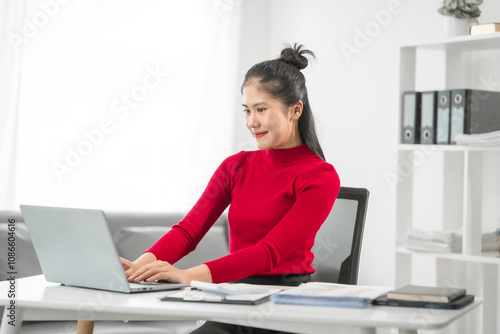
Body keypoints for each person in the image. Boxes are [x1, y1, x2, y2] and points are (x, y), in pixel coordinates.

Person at [121, 43, 340, 334]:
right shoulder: (235, 166)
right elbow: (188, 231)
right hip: (232, 300)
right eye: (247, 110)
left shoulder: (319, 176)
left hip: (285, 307)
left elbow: (268, 253)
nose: (252, 122)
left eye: (261, 109)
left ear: (295, 110)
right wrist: (137, 269)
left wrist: (188, 276)